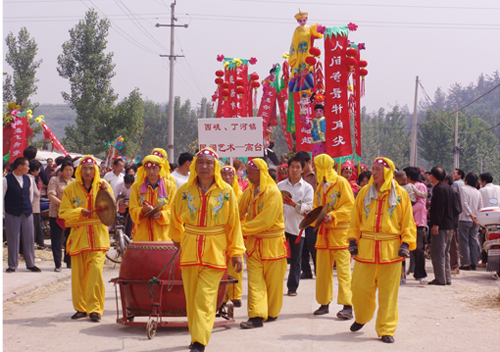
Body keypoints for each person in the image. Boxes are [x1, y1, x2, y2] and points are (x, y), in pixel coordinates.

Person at [169, 148, 244, 352]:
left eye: (209, 163)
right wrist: (177, 238)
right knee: (192, 297)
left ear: (216, 166)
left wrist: (236, 252)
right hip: (190, 248)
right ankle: (196, 337)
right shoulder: (184, 191)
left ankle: (200, 341)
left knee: (205, 296)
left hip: (216, 250)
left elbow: (234, 224)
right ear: (194, 165)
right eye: (200, 162)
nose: (204, 166)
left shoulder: (226, 191)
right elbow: (173, 216)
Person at [348, 157, 416, 343]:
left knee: (388, 293)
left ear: (387, 171)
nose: (374, 172)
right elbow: (356, 218)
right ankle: (362, 317)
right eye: (373, 169)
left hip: (391, 251)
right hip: (365, 249)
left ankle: (386, 328)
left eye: (378, 169)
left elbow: (408, 222)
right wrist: (352, 239)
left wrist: (406, 243)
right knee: (359, 288)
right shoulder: (364, 192)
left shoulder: (401, 194)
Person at [58, 155, 112, 322]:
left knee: (95, 272)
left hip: (98, 236)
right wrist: (79, 212)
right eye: (85, 169)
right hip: (79, 237)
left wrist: (107, 192)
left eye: (91, 168)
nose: (88, 172)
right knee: (79, 275)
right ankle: (81, 308)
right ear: (79, 171)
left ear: (95, 170)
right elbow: (63, 214)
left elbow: (112, 209)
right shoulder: (71, 189)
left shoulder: (103, 186)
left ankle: (95, 309)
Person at [239, 158, 288, 329]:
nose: (248, 175)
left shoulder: (273, 192)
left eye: (251, 172)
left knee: (274, 283)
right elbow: (238, 210)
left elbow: (266, 221)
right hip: (254, 245)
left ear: (261, 173)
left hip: (273, 244)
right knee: (255, 281)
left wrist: (240, 229)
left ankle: (272, 312)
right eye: (247, 172)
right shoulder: (250, 191)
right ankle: (256, 316)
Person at [312, 154, 354, 319]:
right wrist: (312, 214)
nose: (316, 170)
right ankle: (324, 303)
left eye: (318, 167)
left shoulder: (341, 183)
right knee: (322, 271)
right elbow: (317, 205)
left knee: (344, 271)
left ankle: (348, 306)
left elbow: (350, 205)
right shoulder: (320, 186)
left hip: (340, 234)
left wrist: (334, 216)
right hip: (323, 235)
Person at [277, 155, 314, 296]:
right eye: (292, 166)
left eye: (298, 167)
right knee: (278, 258)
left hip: (297, 227)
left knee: (296, 259)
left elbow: (308, 209)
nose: (294, 170)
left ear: (302, 169)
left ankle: (292, 287)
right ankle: (275, 284)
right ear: (288, 168)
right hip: (280, 227)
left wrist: (294, 205)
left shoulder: (307, 188)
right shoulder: (280, 186)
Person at [3, 157, 41, 273]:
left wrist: (27, 206)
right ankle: (12, 265)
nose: (29, 168)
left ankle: (30, 263)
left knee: (29, 238)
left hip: (26, 212)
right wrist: (4, 212)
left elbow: (30, 195)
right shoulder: (5, 180)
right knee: (13, 238)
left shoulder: (29, 179)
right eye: (27, 166)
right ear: (20, 167)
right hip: (12, 212)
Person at [129, 155, 176, 242]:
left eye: (154, 168)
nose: (151, 171)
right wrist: (142, 210)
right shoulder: (136, 186)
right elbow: (132, 209)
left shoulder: (170, 186)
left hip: (163, 237)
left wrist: (161, 214)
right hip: (142, 236)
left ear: (160, 168)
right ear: (144, 169)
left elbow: (174, 211)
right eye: (148, 168)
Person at [220, 165, 244, 307]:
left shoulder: (240, 194)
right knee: (221, 266)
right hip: (220, 234)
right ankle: (222, 297)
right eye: (224, 174)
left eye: (230, 175)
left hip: (235, 233)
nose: (227, 177)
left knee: (236, 265)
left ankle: (235, 294)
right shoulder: (218, 193)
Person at [428, 167, 456, 285]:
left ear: (433, 176)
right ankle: (447, 278)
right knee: (445, 253)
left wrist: (436, 224)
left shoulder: (439, 189)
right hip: (450, 224)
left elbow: (439, 208)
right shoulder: (448, 188)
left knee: (438, 253)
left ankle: (440, 279)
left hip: (441, 225)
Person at [47, 161, 75, 271]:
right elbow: (50, 194)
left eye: (71, 170)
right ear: (62, 171)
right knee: (57, 239)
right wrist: (62, 204)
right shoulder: (55, 180)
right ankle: (57, 264)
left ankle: (69, 261)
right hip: (56, 214)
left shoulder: (75, 182)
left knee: (70, 238)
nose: (69, 172)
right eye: (67, 169)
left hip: (71, 215)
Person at [288, 9, 324, 92]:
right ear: (298, 21)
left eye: (304, 20)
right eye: (300, 21)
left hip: (307, 53)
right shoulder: (297, 30)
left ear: (306, 20)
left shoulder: (310, 29)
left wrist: (319, 29)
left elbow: (317, 35)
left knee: (308, 68)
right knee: (298, 68)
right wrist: (294, 56)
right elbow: (294, 44)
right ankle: (298, 88)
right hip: (299, 53)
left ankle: (307, 89)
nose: (302, 22)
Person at [403, 167, 429, 284]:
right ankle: (401, 274)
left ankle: (420, 274)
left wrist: (407, 211)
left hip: (418, 222)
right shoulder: (402, 187)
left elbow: (421, 203)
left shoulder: (420, 186)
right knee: (402, 249)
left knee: (418, 249)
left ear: (408, 176)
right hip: (404, 222)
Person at [296, 151, 318, 279]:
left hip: (313, 214)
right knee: (302, 244)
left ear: (308, 162)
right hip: (299, 213)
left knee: (313, 242)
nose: (300, 168)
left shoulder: (317, 176)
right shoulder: (297, 176)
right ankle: (306, 270)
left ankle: (318, 269)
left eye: (302, 164)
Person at [458, 172, 483, 271]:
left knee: (464, 242)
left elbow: (464, 204)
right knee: (473, 241)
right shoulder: (478, 191)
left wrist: (470, 215)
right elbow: (480, 206)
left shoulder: (463, 189)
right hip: (475, 220)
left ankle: (465, 264)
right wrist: (476, 217)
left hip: (465, 219)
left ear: (466, 181)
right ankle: (474, 263)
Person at [443, 174, 462, 274]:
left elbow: (458, 209)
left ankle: (455, 265)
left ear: (446, 181)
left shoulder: (453, 193)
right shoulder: (448, 192)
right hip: (447, 223)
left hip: (452, 223)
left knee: (453, 245)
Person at [28, 159, 44, 249]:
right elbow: (33, 193)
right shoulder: (30, 178)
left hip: (35, 208)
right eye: (39, 169)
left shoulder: (31, 178)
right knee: (32, 231)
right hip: (33, 209)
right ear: (34, 170)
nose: (40, 171)